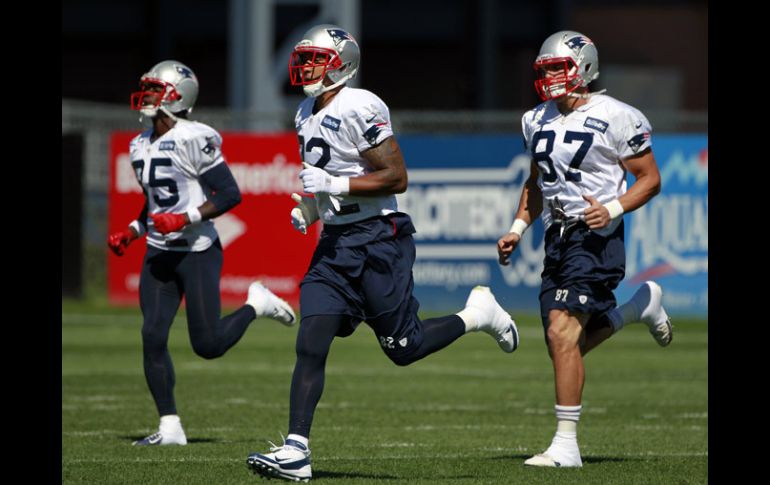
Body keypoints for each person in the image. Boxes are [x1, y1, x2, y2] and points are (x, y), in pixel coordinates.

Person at [245, 25, 519, 482]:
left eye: (316, 58)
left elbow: (396, 176)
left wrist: (334, 186)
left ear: (342, 64)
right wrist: (313, 209)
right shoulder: (304, 112)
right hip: (334, 244)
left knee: (404, 348)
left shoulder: (361, 104)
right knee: (310, 341)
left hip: (377, 239)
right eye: (306, 58)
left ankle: (477, 315)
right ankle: (297, 449)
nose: (307, 67)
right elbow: (328, 173)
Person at [496, 31, 673, 468]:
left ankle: (566, 445)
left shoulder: (617, 115)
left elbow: (650, 179)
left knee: (562, 334)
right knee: (564, 342)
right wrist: (518, 228)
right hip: (557, 236)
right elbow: (537, 184)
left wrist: (612, 208)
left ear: (586, 67)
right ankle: (637, 308)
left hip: (596, 235)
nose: (551, 78)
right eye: (546, 70)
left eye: (559, 68)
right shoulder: (533, 119)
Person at [108, 60, 297, 446]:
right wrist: (133, 230)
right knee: (152, 335)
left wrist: (185, 219)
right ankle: (170, 426)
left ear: (177, 97)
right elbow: (154, 205)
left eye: (155, 90)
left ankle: (255, 304)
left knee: (208, 345)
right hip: (159, 254)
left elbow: (229, 194)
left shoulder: (195, 137)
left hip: (196, 251)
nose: (147, 96)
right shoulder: (138, 144)